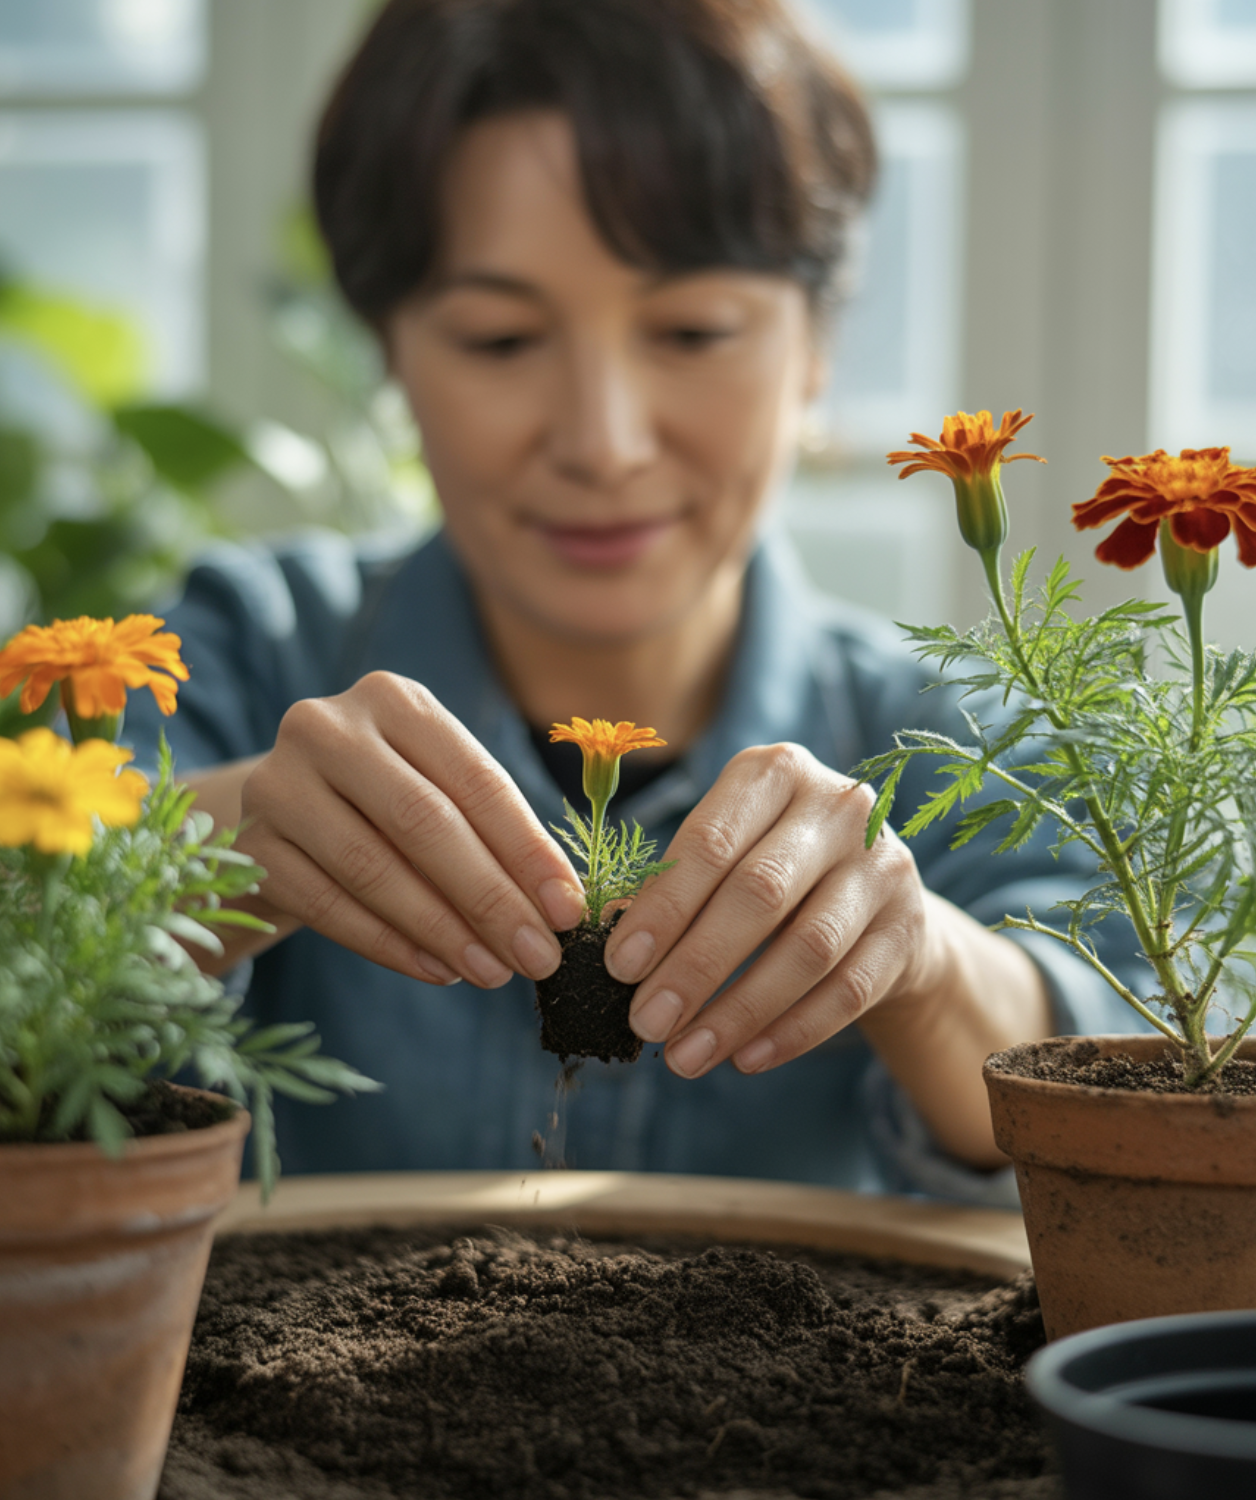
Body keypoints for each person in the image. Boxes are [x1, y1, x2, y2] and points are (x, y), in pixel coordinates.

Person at [125, 0, 1139, 1197]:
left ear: (816, 348)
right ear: (389, 351)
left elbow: (1146, 1071)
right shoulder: (242, 652)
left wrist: (920, 964)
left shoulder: (958, 741)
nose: (602, 443)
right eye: (501, 339)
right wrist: (208, 850)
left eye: (692, 329)